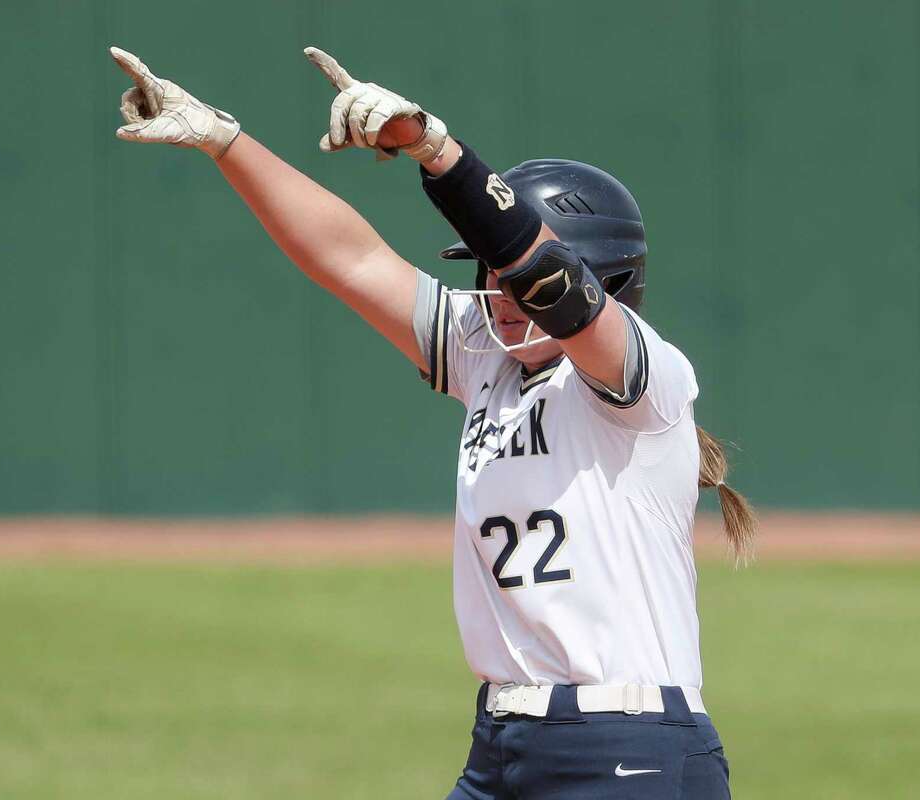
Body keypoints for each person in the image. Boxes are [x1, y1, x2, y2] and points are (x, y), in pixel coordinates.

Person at [109, 42, 756, 799]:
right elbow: (350, 258)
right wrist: (226, 140)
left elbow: (547, 278)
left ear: (606, 278)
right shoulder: (489, 358)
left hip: (629, 747)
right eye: (488, 272)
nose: (500, 289)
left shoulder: (643, 381)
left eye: (506, 269)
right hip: (504, 745)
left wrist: (435, 151)